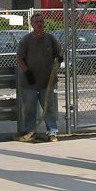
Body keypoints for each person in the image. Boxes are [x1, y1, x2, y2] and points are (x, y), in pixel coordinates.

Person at [15, 14, 63, 143]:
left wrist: (59, 59)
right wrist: (27, 72)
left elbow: (58, 53)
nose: (39, 24)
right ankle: (30, 132)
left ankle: (52, 132)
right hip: (29, 82)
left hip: (47, 81)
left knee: (48, 107)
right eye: (36, 22)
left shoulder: (50, 39)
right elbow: (19, 58)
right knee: (30, 108)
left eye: (41, 21)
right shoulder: (25, 40)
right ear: (32, 24)